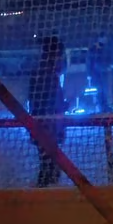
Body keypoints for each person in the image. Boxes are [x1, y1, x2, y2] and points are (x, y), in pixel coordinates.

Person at [28, 34, 66, 187]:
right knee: (48, 154)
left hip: (45, 120)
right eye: (59, 55)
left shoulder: (43, 71)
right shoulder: (46, 73)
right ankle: (46, 179)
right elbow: (47, 100)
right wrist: (63, 107)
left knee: (48, 154)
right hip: (47, 121)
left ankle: (49, 176)